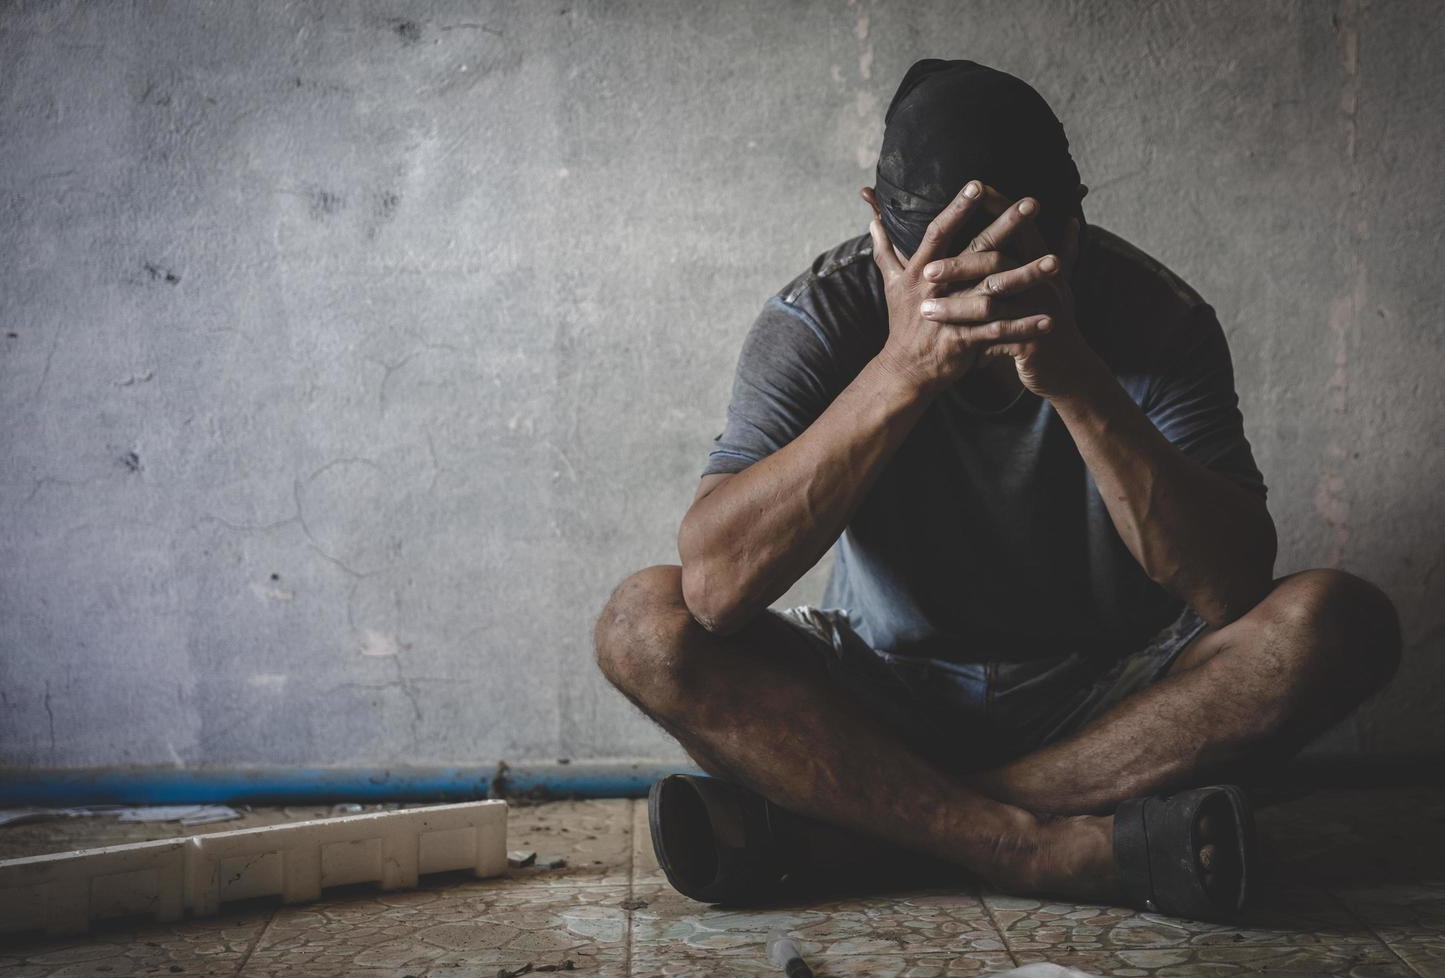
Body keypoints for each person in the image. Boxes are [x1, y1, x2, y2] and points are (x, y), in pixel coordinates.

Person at [594, 59, 1400, 920]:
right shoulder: (819, 318)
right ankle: (1026, 845)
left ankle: (871, 829)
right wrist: (900, 373)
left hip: (1113, 704)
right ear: (879, 229)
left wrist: (1080, 386)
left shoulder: (1158, 316)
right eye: (940, 262)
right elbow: (714, 591)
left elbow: (1230, 588)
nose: (980, 289)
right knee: (644, 625)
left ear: (1075, 230)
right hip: (885, 690)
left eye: (1019, 260)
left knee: (1334, 623)